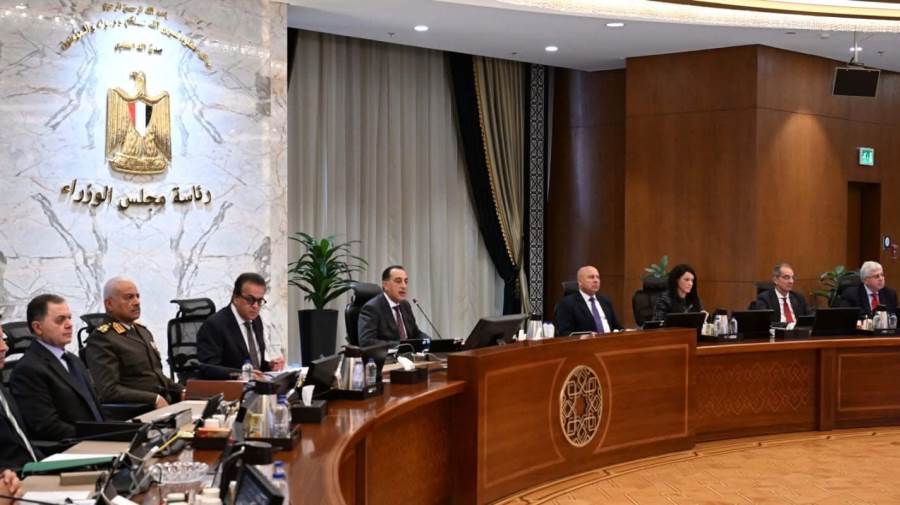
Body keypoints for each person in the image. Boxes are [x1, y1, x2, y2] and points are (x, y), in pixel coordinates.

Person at [10, 294, 105, 442]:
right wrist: (97, 435)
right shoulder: (28, 369)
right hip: (72, 446)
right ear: (38, 327)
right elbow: (47, 426)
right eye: (60, 320)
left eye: (69, 318)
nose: (69, 324)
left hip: (97, 438)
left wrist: (116, 430)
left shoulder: (73, 360)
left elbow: (94, 408)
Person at [85, 277, 183, 408]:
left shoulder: (142, 332)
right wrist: (154, 399)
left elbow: (156, 376)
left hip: (163, 407)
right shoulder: (102, 338)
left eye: (137, 296)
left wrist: (182, 391)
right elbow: (109, 390)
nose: (137, 302)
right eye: (128, 297)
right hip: (136, 412)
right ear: (109, 304)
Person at [197, 273, 285, 380]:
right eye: (250, 300)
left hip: (256, 386)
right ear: (235, 298)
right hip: (230, 388)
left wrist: (269, 366)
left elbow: (254, 365)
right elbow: (208, 369)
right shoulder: (215, 325)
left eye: (260, 301)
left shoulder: (256, 320)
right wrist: (241, 374)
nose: (255, 306)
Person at [0, 323, 41, 473]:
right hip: (13, 478)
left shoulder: (2, 389)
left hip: (34, 469)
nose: (4, 347)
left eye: (3, 339)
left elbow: (21, 442)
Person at [358, 265, 429, 348]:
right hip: (387, 355)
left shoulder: (405, 305)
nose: (404, 286)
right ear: (385, 285)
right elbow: (367, 342)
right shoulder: (372, 308)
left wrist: (429, 341)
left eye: (406, 281)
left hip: (409, 354)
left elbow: (415, 333)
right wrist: (402, 346)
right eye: (398, 281)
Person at [555, 265, 623, 335]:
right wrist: (584, 336)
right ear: (580, 282)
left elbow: (617, 327)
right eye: (591, 277)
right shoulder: (567, 304)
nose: (596, 280)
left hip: (610, 340)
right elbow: (565, 333)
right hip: (586, 341)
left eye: (598, 277)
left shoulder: (605, 301)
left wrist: (624, 331)